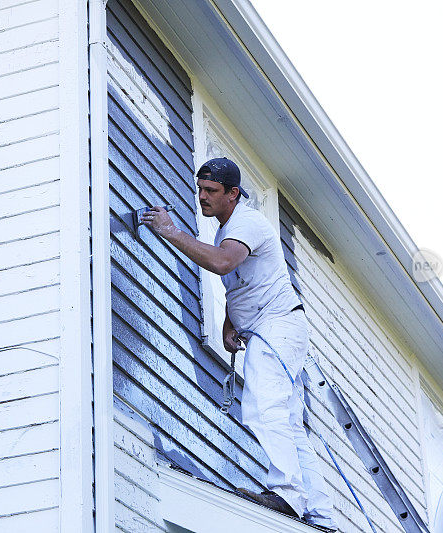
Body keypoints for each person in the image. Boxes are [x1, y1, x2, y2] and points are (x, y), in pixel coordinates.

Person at [140, 157, 338, 531]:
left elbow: (223, 264)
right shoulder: (227, 228)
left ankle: (289, 496)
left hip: (277, 326)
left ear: (233, 193)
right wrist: (230, 323)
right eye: (199, 189)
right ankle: (318, 512)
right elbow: (243, 283)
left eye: (211, 191)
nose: (202, 197)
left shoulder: (245, 222)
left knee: (264, 405)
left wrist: (172, 232)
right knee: (288, 421)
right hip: (274, 328)